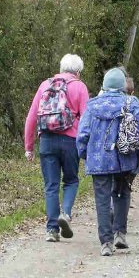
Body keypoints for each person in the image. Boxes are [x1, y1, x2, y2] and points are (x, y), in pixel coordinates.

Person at [77, 68, 139, 256]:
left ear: (104, 85)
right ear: (123, 86)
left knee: (102, 200)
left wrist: (86, 154)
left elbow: (82, 135)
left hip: (99, 160)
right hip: (124, 158)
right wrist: (138, 147)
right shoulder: (131, 102)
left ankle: (106, 243)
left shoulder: (92, 106)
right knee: (122, 193)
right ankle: (120, 233)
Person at [24, 54, 90, 242]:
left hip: (47, 140)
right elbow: (86, 119)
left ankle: (52, 230)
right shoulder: (80, 87)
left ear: (61, 69)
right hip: (70, 141)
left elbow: (31, 117)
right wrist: (87, 146)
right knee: (71, 181)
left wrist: (29, 147)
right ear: (78, 72)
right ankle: (65, 214)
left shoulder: (45, 85)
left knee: (51, 185)